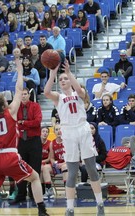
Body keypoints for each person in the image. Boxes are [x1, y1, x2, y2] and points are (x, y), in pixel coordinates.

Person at [0, 59, 49, 216]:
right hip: (9, 155)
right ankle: (41, 211)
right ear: (3, 106)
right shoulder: (10, 112)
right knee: (34, 178)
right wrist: (19, 71)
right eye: (6, 101)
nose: (9, 101)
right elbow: (19, 90)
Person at [44, 60, 105, 216]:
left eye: (66, 79)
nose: (63, 81)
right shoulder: (58, 97)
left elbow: (78, 88)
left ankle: (100, 205)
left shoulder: (79, 93)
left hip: (82, 129)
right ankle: (70, 208)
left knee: (91, 169)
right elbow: (46, 92)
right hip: (68, 132)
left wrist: (69, 73)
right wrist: (52, 74)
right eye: (61, 79)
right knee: (71, 172)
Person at [10, 87, 43, 203]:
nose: (23, 96)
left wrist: (23, 123)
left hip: (34, 141)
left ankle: (34, 195)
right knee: (20, 168)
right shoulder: (16, 108)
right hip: (21, 142)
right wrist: (26, 124)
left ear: (28, 95)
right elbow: (14, 123)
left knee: (35, 168)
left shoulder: (35, 106)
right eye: (21, 94)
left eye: (25, 94)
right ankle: (21, 195)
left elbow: (37, 122)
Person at [42, 124, 68, 199]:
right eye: (56, 130)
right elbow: (52, 158)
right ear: (54, 132)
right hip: (57, 165)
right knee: (45, 167)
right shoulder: (52, 143)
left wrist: (63, 163)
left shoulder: (67, 141)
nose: (59, 131)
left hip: (66, 164)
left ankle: (67, 190)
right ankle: (49, 190)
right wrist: (55, 163)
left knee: (64, 166)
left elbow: (70, 157)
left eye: (60, 129)